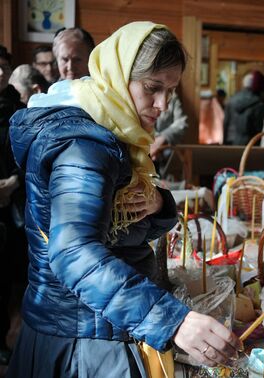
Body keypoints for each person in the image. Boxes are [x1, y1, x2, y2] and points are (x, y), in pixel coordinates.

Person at [6, 22, 240, 377]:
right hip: (82, 339)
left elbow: (113, 220)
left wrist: (160, 204)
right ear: (118, 74)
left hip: (90, 324)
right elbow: (73, 252)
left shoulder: (108, 125)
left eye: (171, 91)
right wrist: (174, 321)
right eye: (152, 88)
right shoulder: (84, 145)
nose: (162, 104)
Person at [0, 45, 26, 367]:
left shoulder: (19, 111)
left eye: (4, 67)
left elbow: (28, 155)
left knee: (6, 278)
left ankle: (4, 339)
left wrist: (13, 183)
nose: (0, 73)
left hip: (13, 202)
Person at [223, 71, 264, 145]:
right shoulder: (259, 104)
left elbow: (226, 122)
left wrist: (224, 142)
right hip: (252, 144)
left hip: (234, 141)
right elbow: (260, 128)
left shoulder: (233, 99)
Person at [149, 93, 188, 176]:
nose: (163, 107)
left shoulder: (173, 96)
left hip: (166, 153)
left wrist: (162, 139)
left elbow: (181, 123)